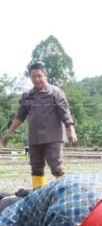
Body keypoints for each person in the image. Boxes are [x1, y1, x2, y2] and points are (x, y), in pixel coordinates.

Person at [0, 61, 78, 189]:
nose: (37, 79)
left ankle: (63, 191)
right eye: (33, 77)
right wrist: (9, 132)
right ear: (30, 78)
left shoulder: (55, 93)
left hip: (53, 137)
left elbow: (65, 113)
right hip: (35, 138)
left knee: (56, 167)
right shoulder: (27, 96)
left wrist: (72, 131)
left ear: (45, 75)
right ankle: (37, 193)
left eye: (39, 76)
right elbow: (20, 117)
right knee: (36, 168)